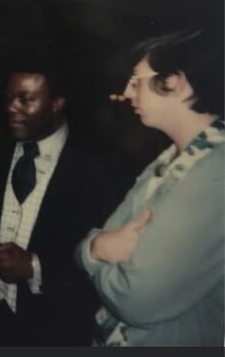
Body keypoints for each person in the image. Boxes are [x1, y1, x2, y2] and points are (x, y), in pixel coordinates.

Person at [0, 61, 116, 346]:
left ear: (57, 103)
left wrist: (36, 267)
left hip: (54, 328)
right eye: (9, 97)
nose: (12, 107)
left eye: (26, 99)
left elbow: (105, 262)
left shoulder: (95, 169)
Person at [76, 29, 224, 347]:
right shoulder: (171, 160)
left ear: (175, 83)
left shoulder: (216, 171)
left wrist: (94, 251)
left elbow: (135, 299)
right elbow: (100, 239)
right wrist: (98, 248)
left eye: (136, 80)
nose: (128, 92)